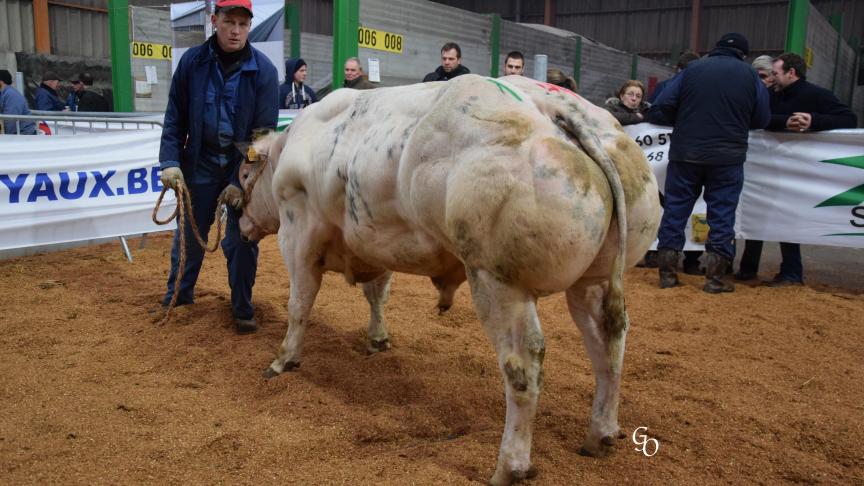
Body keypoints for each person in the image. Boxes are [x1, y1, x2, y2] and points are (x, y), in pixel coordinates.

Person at [158, 0, 278, 334]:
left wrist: (241, 181)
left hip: (241, 168)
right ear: (215, 21)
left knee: (242, 241)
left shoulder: (265, 71)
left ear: (249, 26)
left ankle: (241, 308)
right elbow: (174, 119)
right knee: (190, 236)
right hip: (199, 163)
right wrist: (170, 162)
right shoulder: (192, 63)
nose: (236, 30)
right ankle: (179, 296)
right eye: (229, 22)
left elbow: (262, 137)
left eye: (243, 23)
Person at [647, 33, 770, 293]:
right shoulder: (749, 76)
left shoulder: (692, 70)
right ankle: (715, 279)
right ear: (742, 54)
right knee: (722, 216)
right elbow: (761, 117)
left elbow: (662, 105)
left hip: (685, 154)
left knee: (675, 212)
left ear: (715, 49)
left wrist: (686, 119)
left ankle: (667, 274)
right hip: (727, 158)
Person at [736, 52, 857, 287]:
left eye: (775, 73)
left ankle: (792, 271)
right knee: (755, 214)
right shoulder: (769, 95)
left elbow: (848, 118)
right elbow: (755, 118)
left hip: (799, 171)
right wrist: (784, 122)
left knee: (788, 218)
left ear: (792, 73)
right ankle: (748, 268)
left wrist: (813, 121)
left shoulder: (816, 95)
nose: (771, 78)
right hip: (766, 166)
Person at [0, 69, 37, 135]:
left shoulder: (11, 94)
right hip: (19, 134)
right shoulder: (5, 94)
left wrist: (6, 138)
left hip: (24, 135)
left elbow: (11, 119)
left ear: (1, 81)